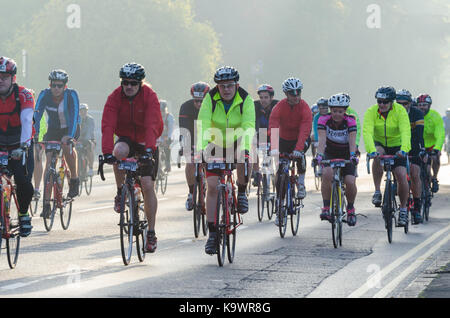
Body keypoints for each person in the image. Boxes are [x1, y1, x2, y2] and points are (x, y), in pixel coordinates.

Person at [101, 62, 163, 253]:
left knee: (146, 185)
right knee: (118, 152)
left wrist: (149, 150)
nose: (128, 86)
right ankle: (121, 191)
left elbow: (152, 124)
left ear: (141, 84)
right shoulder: (114, 97)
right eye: (125, 82)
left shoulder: (150, 96)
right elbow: (108, 125)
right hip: (126, 137)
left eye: (133, 83)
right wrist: (107, 152)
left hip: (146, 139)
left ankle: (151, 233)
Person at [196, 66, 255, 255]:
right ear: (217, 87)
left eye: (230, 85)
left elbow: (248, 125)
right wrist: (202, 149)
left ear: (236, 85)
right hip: (215, 143)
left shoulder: (245, 99)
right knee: (212, 186)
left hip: (238, 140)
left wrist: (245, 149)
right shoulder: (210, 98)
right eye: (222, 86)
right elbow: (203, 123)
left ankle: (243, 192)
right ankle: (213, 234)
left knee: (245, 156)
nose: (226, 89)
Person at [363, 86, 411, 226]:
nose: (382, 104)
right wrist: (371, 150)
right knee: (378, 155)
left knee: (401, 175)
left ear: (392, 102)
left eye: (385, 102)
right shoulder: (371, 111)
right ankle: (377, 191)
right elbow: (367, 132)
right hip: (380, 143)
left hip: (397, 145)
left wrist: (404, 149)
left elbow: (405, 132)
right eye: (379, 101)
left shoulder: (400, 111)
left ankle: (403, 209)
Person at [34, 69, 81, 211]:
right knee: (49, 162)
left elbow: (74, 117)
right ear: (50, 84)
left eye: (59, 86)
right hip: (53, 130)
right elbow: (36, 115)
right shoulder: (44, 94)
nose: (56, 88)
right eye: (53, 85)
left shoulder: (71, 95)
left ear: (65, 86)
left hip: (70, 128)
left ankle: (74, 179)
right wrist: (35, 135)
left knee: (67, 146)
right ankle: (46, 203)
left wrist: (71, 137)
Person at [269, 77, 312, 226]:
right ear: (286, 94)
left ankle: (300, 182)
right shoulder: (279, 107)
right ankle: (279, 205)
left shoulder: (305, 108)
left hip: (300, 137)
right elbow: (273, 125)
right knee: (281, 173)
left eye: (298, 92)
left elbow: (305, 129)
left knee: (300, 156)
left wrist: (299, 149)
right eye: (292, 93)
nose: (295, 96)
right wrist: (274, 147)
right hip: (284, 139)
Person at [0, 56, 34, 237]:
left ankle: (23, 214)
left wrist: (23, 147)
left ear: (13, 78)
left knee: (23, 182)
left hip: (19, 143)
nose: (0, 80)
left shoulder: (24, 94)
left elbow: (27, 121)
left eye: (4, 76)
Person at [315, 93, 358, 226]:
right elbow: (321, 140)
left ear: (345, 111)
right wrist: (319, 156)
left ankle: (350, 209)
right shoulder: (323, 119)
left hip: (346, 153)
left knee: (350, 181)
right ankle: (326, 207)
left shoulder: (350, 120)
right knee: (327, 174)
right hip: (330, 152)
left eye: (340, 111)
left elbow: (352, 140)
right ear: (330, 110)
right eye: (334, 111)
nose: (337, 114)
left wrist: (352, 155)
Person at [179, 81, 210, 211]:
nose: (199, 104)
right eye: (196, 101)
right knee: (190, 163)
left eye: (202, 101)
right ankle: (191, 193)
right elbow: (184, 130)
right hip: (191, 136)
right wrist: (184, 147)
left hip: (209, 136)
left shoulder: (213, 107)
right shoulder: (185, 107)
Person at [396, 89, 424, 224]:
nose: (402, 106)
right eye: (399, 103)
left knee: (414, 173)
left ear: (410, 104)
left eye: (405, 104)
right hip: (398, 147)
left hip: (413, 147)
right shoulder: (392, 113)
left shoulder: (416, 113)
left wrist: (421, 150)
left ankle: (417, 208)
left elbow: (419, 135)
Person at [416, 94, 445, 193]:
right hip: (419, 145)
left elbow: (440, 133)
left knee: (435, 158)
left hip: (431, 145)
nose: (422, 107)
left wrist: (437, 148)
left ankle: (435, 178)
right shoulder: (415, 115)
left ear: (429, 105)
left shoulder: (435, 115)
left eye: (424, 104)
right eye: (420, 105)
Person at [252, 84, 278, 186]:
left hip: (274, 133)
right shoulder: (255, 106)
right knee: (252, 146)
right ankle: (256, 172)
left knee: (277, 153)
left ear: (271, 98)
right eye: (261, 97)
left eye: (266, 97)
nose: (263, 100)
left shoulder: (277, 105)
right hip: (261, 132)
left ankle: (278, 172)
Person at [32, 91, 47, 200]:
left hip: (37, 140)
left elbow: (42, 128)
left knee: (37, 158)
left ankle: (36, 189)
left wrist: (39, 141)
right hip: (23, 140)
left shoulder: (38, 111)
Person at [78, 103, 96, 176]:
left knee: (90, 147)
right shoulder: (77, 119)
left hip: (89, 139)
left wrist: (87, 140)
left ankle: (91, 168)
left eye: (84, 110)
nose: (83, 112)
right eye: (81, 110)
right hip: (79, 139)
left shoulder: (90, 119)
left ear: (87, 111)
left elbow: (90, 131)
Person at [159, 100, 174, 173]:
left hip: (167, 135)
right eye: (159, 111)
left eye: (162, 110)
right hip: (159, 135)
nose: (161, 113)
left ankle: (168, 165)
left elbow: (171, 129)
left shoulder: (169, 116)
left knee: (166, 148)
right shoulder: (156, 116)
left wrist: (167, 138)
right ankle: (158, 166)